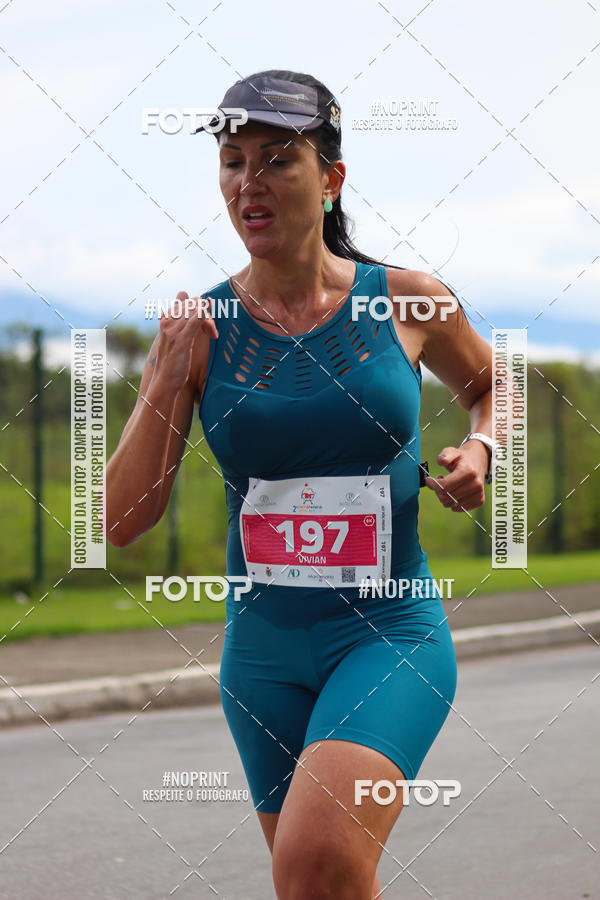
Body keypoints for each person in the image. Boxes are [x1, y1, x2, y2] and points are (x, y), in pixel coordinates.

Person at [106, 70, 494, 900]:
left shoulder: (407, 302)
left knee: (316, 858)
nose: (250, 181)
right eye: (233, 160)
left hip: (388, 632)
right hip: (262, 653)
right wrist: (163, 382)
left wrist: (485, 449)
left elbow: (499, 386)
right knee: (320, 883)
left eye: (279, 159)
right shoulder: (199, 329)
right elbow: (122, 522)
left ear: (330, 180)